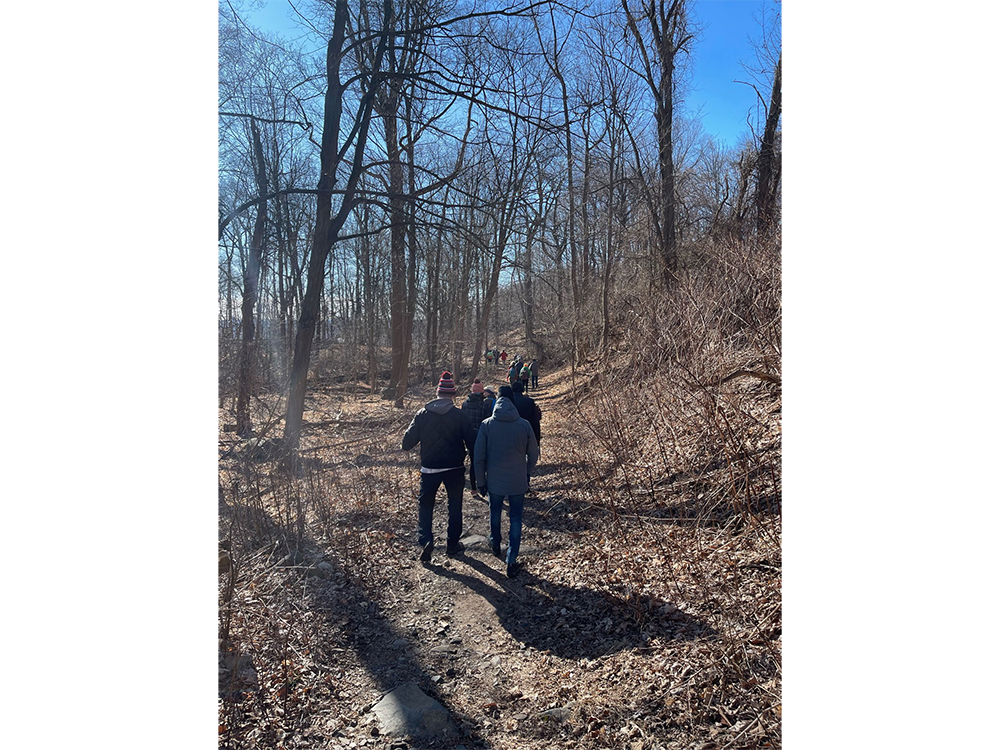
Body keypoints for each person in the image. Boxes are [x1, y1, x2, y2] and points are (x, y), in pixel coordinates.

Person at [402, 371, 476, 561]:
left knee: (425, 506)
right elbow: (473, 442)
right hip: (454, 469)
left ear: (437, 393)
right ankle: (452, 545)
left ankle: (426, 540)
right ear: (453, 395)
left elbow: (406, 444)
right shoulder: (460, 415)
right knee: (455, 506)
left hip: (429, 469)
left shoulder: (422, 414)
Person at [474, 394, 539, 577]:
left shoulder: (487, 425)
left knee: (494, 512)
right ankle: (511, 560)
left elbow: (478, 457)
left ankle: (495, 543)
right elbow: (533, 454)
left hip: (494, 481)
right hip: (518, 481)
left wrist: (481, 481)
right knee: (516, 518)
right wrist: (527, 472)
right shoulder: (524, 425)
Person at [461, 379, 492, 492]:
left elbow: (462, 422)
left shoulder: (464, 404)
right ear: (482, 392)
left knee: (473, 461)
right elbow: (489, 422)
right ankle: (485, 485)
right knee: (483, 461)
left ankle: (473, 488)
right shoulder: (485, 404)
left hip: (468, 436)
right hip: (482, 436)